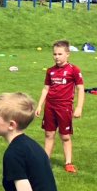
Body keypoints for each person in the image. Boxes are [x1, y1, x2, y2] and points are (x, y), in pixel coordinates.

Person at [35, 40, 84, 173]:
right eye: (55, 54)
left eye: (60, 54)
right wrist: (40, 105)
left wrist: (79, 107)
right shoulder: (50, 71)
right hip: (50, 106)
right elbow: (46, 89)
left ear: (68, 54)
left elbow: (80, 89)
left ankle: (68, 162)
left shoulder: (74, 70)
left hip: (64, 107)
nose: (57, 57)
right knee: (49, 133)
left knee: (65, 136)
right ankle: (45, 161)